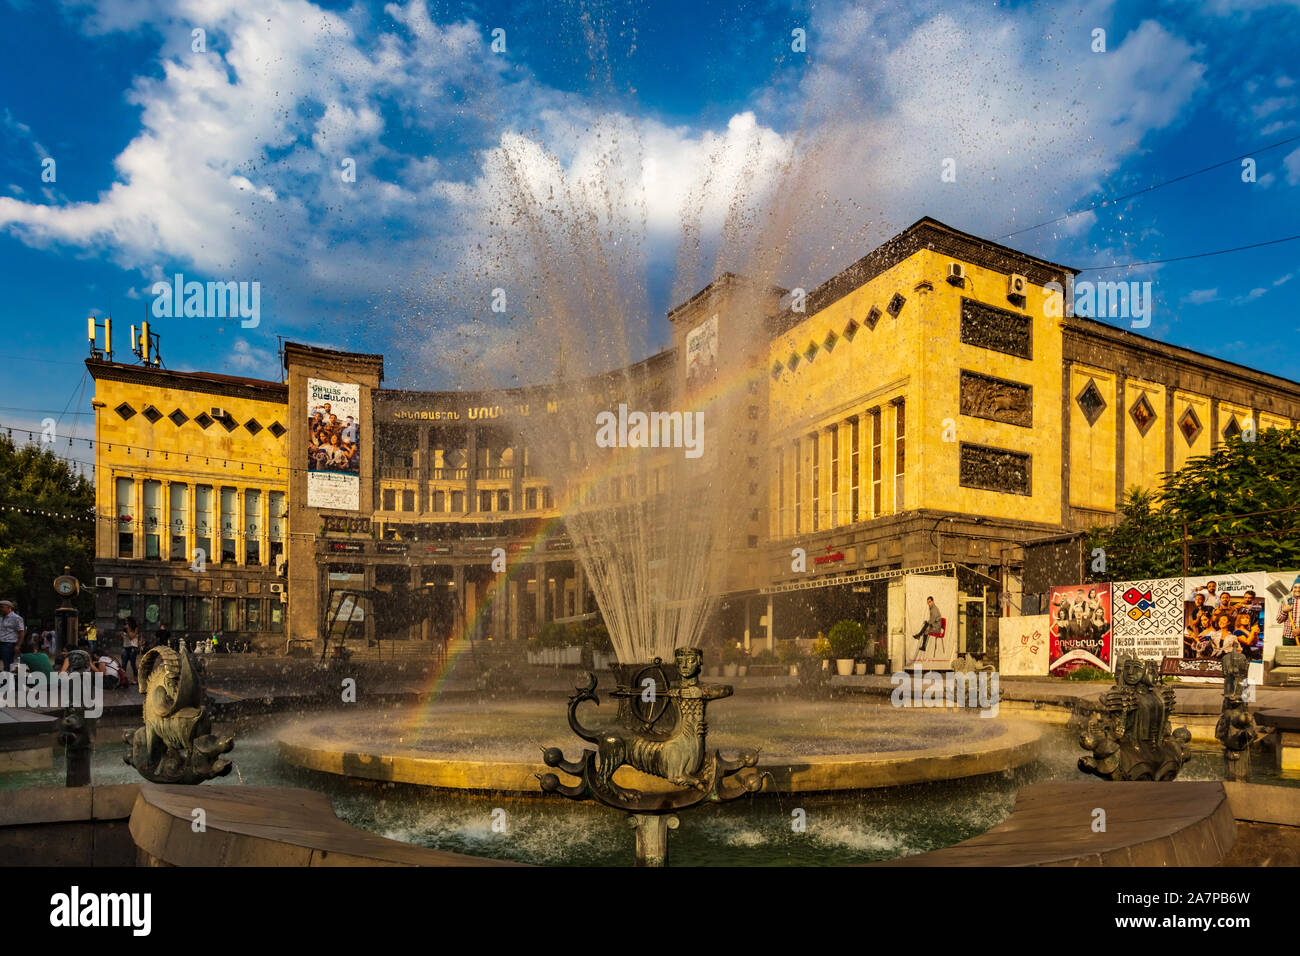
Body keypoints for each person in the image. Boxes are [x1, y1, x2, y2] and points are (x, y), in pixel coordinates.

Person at [0, 599, 25, 671]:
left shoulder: (16, 618)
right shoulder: (1, 618)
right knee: (5, 663)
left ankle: (9, 680)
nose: (0, 609)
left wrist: (18, 645)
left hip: (9, 644)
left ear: (8, 607)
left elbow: (21, 632)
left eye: (2, 607)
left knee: (8, 664)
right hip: (1, 643)